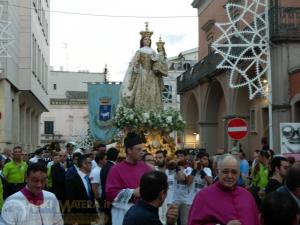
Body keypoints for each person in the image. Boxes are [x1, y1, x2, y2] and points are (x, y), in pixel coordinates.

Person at [188, 155, 260, 225]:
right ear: (217, 172)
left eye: (234, 172)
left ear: (239, 174)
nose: (229, 176)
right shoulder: (203, 196)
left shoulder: (247, 196)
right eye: (225, 172)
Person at [120, 22, 168, 112]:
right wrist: (136, 68)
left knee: (152, 93)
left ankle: (153, 112)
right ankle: (141, 111)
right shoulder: (139, 51)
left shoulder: (153, 52)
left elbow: (157, 64)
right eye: (145, 39)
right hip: (142, 74)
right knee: (141, 93)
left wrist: (160, 61)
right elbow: (134, 63)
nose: (147, 41)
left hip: (152, 75)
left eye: (149, 40)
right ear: (142, 41)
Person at [105, 132, 151, 225]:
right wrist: (133, 192)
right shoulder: (116, 169)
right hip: (123, 215)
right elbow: (110, 193)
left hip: (143, 213)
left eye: (142, 149)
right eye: (138, 149)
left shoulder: (146, 168)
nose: (142, 152)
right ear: (129, 150)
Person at [64, 154, 98, 225]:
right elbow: (70, 200)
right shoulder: (72, 180)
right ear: (84, 164)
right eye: (90, 163)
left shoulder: (87, 178)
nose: (91, 165)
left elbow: (90, 197)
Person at [100, 147, 119, 225]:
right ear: (117, 156)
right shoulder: (113, 168)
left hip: (105, 196)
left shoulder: (104, 166)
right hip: (111, 199)